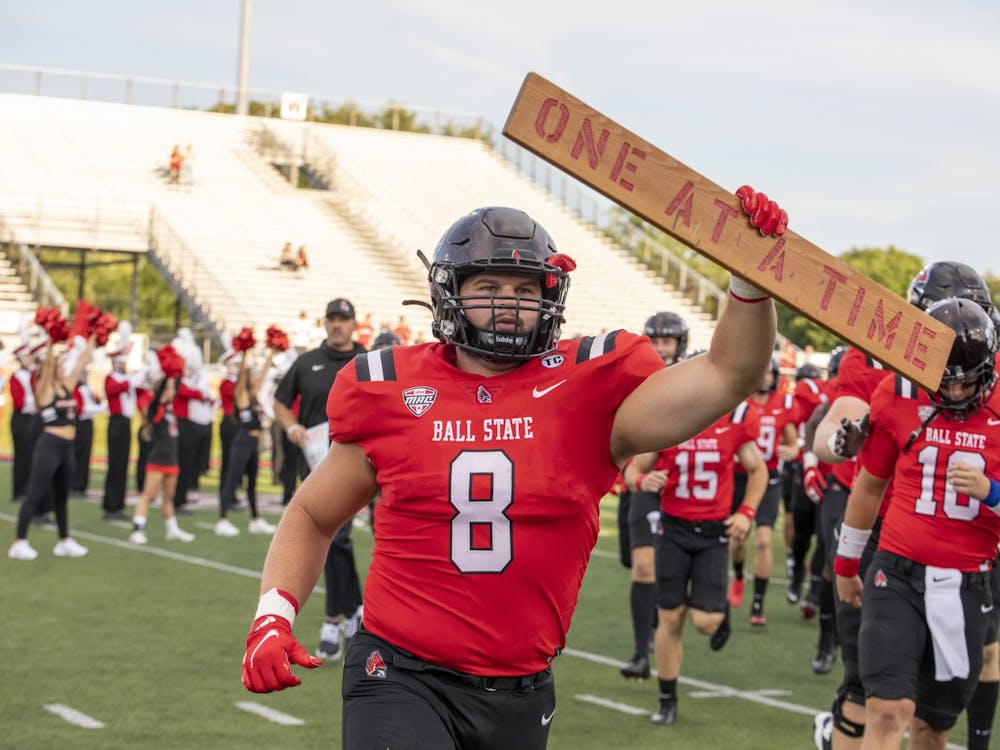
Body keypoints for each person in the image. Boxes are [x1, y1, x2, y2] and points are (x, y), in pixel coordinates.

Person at [240, 200, 779, 749]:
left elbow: (728, 373)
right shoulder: (393, 388)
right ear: (450, 291)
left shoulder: (587, 388)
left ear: (550, 298)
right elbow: (312, 513)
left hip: (522, 686)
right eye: (489, 286)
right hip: (399, 671)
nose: (508, 303)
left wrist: (749, 280)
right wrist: (272, 615)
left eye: (525, 290)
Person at [812, 261, 1000, 750]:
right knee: (875, 699)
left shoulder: (986, 371)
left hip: (969, 553)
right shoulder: (885, 371)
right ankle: (840, 731)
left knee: (938, 715)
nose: (953, 380)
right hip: (887, 545)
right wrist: (843, 441)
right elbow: (838, 434)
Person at [625, 374, 766, 725]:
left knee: (704, 622)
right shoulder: (670, 419)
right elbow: (633, 470)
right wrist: (643, 481)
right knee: (670, 616)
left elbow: (758, 470)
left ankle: (717, 608)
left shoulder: (735, 419)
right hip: (673, 529)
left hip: (712, 533)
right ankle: (667, 700)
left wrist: (747, 512)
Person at [271, 297, 367, 661]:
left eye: (343, 319)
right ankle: (352, 612)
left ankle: (334, 619)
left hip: (358, 465)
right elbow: (279, 401)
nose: (337, 325)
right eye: (332, 319)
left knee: (336, 536)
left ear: (354, 324)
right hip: (314, 461)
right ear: (325, 323)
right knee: (334, 538)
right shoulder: (307, 361)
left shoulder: (367, 361)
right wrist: (291, 426)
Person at [620, 310, 689, 680]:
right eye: (657, 341)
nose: (662, 349)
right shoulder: (631, 375)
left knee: (654, 566)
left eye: (668, 341)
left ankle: (646, 648)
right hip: (640, 480)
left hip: (677, 484)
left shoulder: (688, 380)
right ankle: (642, 645)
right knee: (639, 567)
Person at [8, 310, 94, 561]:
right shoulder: (43, 390)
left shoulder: (66, 386)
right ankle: (19, 541)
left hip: (67, 447)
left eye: (59, 365)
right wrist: (51, 342)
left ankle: (64, 540)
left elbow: (81, 363)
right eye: (56, 365)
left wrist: (92, 335)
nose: (59, 367)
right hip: (49, 445)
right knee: (35, 492)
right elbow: (45, 367)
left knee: (62, 496)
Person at [727, 356, 798, 626]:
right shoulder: (738, 404)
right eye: (762, 372)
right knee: (738, 539)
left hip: (770, 479)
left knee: (765, 540)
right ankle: (737, 574)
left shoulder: (783, 405)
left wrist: (790, 451)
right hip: (740, 478)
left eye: (770, 373)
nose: (766, 378)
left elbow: (793, 443)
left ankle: (758, 603)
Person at [128, 345, 195, 545]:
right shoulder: (155, 409)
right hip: (158, 458)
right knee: (148, 495)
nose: (171, 391)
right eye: (168, 388)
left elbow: (175, 385)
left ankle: (172, 529)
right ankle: (137, 529)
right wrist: (168, 375)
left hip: (172, 458)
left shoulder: (169, 408)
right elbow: (162, 393)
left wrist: (177, 370)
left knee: (169, 497)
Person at [216, 329, 277, 537]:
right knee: (232, 480)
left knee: (252, 483)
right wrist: (244, 354)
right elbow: (242, 376)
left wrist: (272, 353)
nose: (256, 375)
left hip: (254, 444)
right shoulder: (241, 395)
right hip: (241, 442)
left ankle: (255, 519)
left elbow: (265, 371)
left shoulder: (255, 394)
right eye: (253, 373)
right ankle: (222, 519)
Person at [102, 323, 141, 520]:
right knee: (115, 464)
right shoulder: (112, 379)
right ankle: (111, 506)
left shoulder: (124, 378)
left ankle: (118, 504)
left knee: (123, 465)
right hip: (116, 423)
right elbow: (117, 388)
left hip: (125, 423)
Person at [71, 368, 104, 495]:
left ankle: (81, 485)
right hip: (80, 424)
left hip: (88, 423)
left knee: (85, 455)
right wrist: (101, 408)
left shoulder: (87, 388)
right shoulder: (76, 388)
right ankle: (75, 484)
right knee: (78, 454)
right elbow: (80, 409)